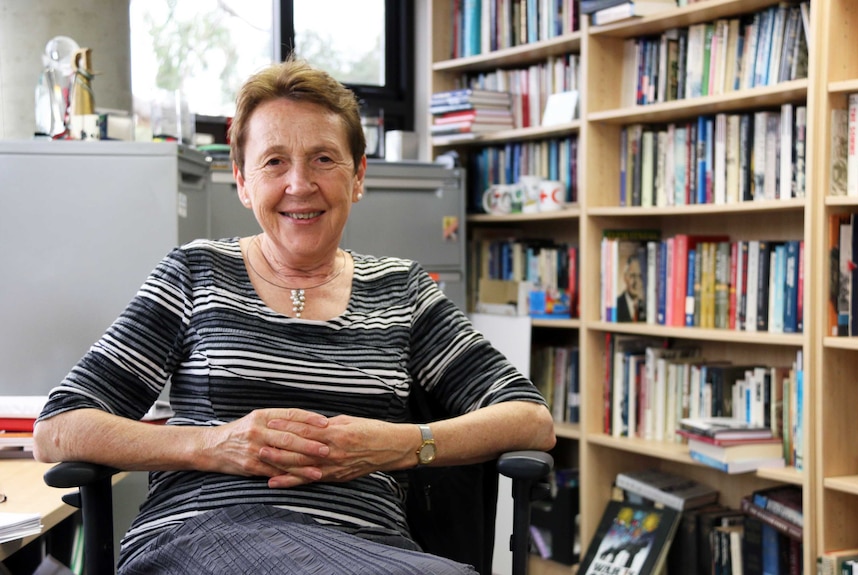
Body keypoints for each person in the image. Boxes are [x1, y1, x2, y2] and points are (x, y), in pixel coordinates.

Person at [33, 56, 556, 575]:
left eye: (324, 159)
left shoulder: (402, 289)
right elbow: (59, 427)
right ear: (242, 181)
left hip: (369, 546)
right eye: (274, 161)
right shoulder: (195, 273)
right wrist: (215, 444)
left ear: (358, 176)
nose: (300, 184)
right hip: (203, 536)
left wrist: (400, 445)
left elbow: (530, 420)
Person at [616, 253, 643, 323]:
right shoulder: (616, 305)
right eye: (632, 276)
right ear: (625, 277)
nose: (636, 282)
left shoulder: (645, 307)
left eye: (640, 276)